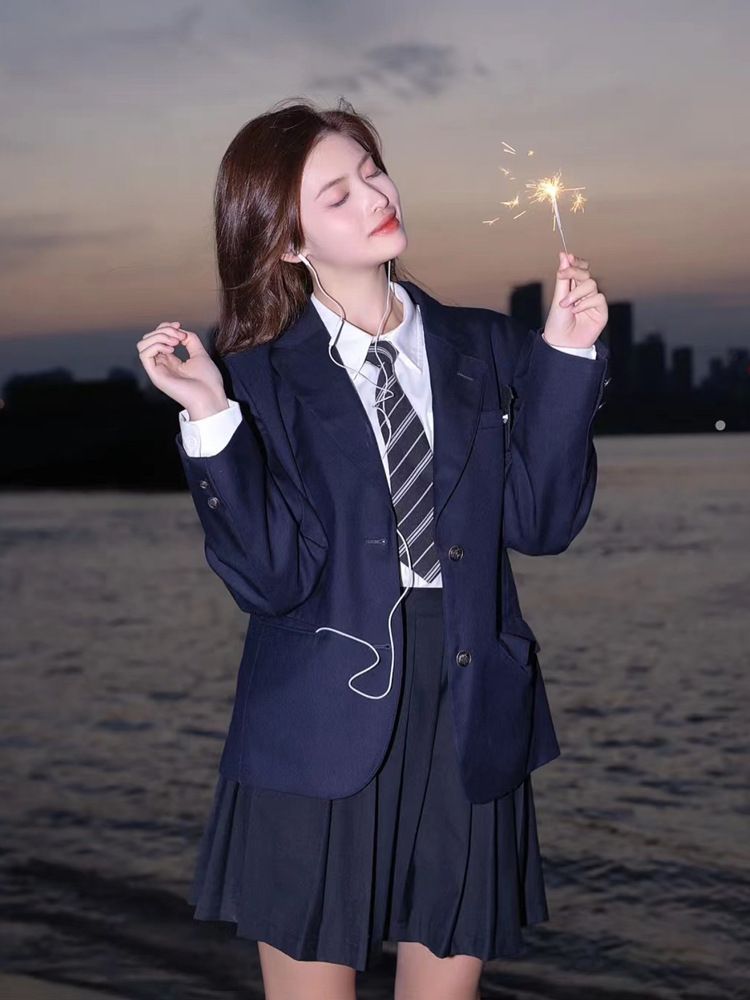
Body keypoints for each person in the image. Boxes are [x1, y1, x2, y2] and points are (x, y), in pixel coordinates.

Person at [137, 97, 610, 1000]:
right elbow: (271, 579)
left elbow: (542, 524)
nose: (375, 197)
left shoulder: (484, 344)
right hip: (317, 718)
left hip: (469, 702)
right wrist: (209, 414)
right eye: (338, 194)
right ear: (287, 241)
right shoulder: (252, 378)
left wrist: (567, 359)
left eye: (372, 171)